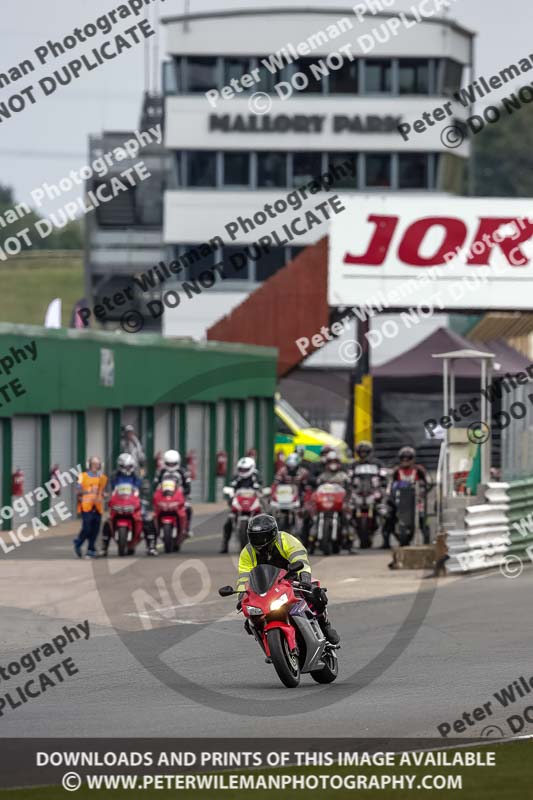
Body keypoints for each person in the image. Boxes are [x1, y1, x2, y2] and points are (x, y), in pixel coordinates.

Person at [235, 514, 340, 644]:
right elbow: (244, 577)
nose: (259, 540)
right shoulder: (247, 552)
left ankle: (325, 624)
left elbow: (300, 557)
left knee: (316, 594)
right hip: (266, 587)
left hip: (292, 579)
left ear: (273, 533)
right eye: (254, 537)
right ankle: (269, 644)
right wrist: (241, 595)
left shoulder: (286, 540)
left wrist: (304, 577)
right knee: (251, 620)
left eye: (263, 536)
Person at [101, 453, 157, 556]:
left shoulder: (137, 475)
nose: (127, 469)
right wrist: (106, 495)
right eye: (124, 467)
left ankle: (151, 546)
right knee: (107, 521)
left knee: (147, 519)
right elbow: (108, 488)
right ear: (119, 466)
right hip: (118, 502)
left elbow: (145, 486)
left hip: (134, 502)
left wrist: (145, 494)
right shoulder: (114, 476)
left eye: (129, 466)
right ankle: (104, 548)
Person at [382, 446, 431, 548]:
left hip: (416, 499)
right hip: (399, 499)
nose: (405, 461)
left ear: (413, 459)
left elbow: (428, 482)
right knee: (388, 516)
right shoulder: (396, 471)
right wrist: (389, 495)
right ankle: (386, 542)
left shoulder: (419, 470)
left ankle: (426, 540)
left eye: (408, 458)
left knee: (423, 517)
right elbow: (390, 484)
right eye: (403, 458)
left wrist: (423, 491)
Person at [220, 456, 262, 553]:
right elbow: (231, 487)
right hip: (240, 502)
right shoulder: (236, 477)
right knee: (228, 521)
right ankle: (224, 544)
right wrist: (230, 493)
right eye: (241, 469)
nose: (243, 471)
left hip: (252, 501)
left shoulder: (256, 476)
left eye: (245, 469)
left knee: (265, 517)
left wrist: (260, 490)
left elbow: (260, 487)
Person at [273, 452, 313, 544]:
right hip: (285, 497)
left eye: (293, 466)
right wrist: (274, 493)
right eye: (289, 466)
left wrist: (307, 495)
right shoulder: (282, 471)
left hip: (299, 496)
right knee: (273, 512)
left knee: (307, 514)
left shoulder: (303, 472)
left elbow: (308, 486)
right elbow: (276, 483)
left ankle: (306, 538)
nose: (291, 468)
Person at [73, 457, 108, 559]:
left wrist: (104, 495)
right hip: (86, 507)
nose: (96, 466)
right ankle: (78, 543)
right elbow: (77, 490)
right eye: (94, 464)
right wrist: (87, 491)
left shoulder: (102, 478)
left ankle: (91, 549)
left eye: (98, 464)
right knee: (87, 528)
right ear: (89, 465)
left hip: (97, 507)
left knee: (95, 529)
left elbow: (104, 490)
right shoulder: (82, 476)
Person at [153, 449, 192, 532]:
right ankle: (154, 532)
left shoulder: (183, 472)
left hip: (179, 498)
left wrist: (184, 492)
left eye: (173, 464)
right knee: (154, 512)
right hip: (163, 497)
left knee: (188, 508)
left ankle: (187, 528)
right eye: (168, 464)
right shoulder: (161, 472)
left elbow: (188, 486)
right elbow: (155, 485)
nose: (171, 466)